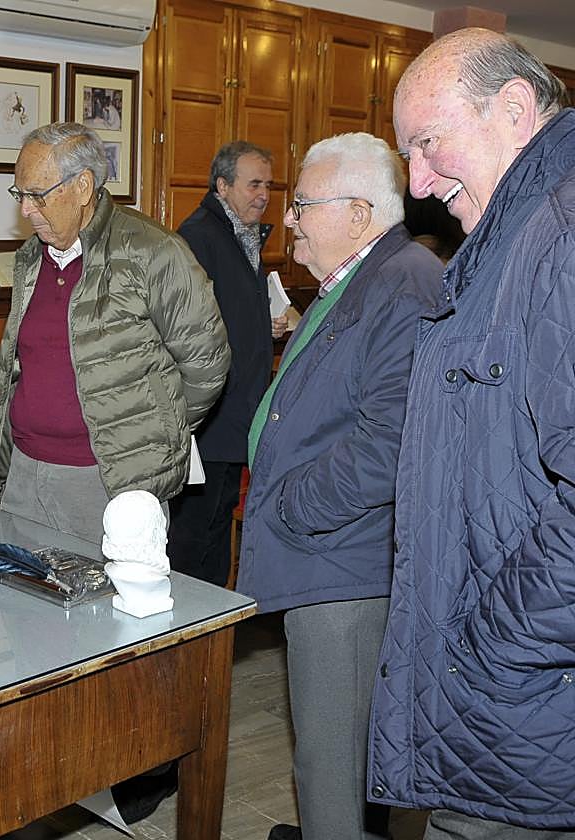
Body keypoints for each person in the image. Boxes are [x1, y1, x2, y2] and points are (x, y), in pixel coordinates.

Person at [369, 28, 575, 838]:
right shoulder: (516, 236)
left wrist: (485, 646)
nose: (417, 184)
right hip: (505, 717)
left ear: (516, 110)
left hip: (520, 711)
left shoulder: (559, 235)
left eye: (427, 143)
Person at [239, 132, 441, 840]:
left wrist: (295, 506)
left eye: (301, 205)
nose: (287, 219)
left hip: (344, 568)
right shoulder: (362, 277)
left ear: (359, 213)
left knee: (332, 769)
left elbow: (389, 442)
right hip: (328, 556)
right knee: (337, 762)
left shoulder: (404, 282)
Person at [0, 121, 229, 546]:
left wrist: (154, 430)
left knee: (103, 610)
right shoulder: (32, 257)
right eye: (19, 194)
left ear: (83, 187)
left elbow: (207, 364)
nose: (25, 209)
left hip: (106, 484)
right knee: (19, 604)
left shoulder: (152, 251)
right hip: (26, 475)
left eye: (36, 195)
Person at [167, 140, 286, 587]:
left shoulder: (241, 235)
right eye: (253, 184)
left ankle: (211, 637)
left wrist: (261, 323)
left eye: (268, 186)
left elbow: (228, 312)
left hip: (234, 419)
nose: (263, 195)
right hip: (208, 423)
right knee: (192, 540)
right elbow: (185, 328)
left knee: (216, 535)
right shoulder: (198, 237)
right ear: (223, 185)